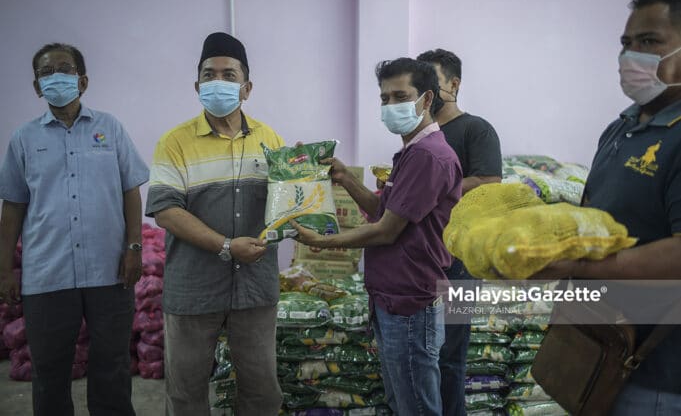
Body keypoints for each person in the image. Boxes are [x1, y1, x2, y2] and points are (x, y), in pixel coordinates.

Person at [533, 0, 681, 414]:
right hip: (595, 350)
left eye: (650, 42)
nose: (631, 56)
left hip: (657, 375)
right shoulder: (619, 130)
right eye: (626, 44)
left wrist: (581, 265)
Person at [292, 57, 462, 416]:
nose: (389, 106)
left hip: (412, 302)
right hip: (392, 297)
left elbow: (386, 232)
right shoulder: (411, 153)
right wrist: (346, 178)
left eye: (400, 96)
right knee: (401, 401)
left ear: (427, 99)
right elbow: (383, 211)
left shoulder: (430, 157)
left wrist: (321, 242)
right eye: (384, 98)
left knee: (416, 406)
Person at [0, 43, 148, 416]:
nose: (55, 78)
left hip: (109, 272)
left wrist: (134, 248)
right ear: (36, 87)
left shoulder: (109, 128)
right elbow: (13, 207)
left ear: (82, 80)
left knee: (112, 367)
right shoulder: (23, 140)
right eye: (45, 73)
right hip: (47, 274)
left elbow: (131, 188)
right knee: (49, 372)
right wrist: (4, 269)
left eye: (63, 69)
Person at [145, 32, 284, 415]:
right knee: (186, 392)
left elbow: (287, 204)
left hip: (254, 289)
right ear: (197, 85)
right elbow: (166, 210)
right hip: (194, 288)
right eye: (209, 74)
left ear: (247, 87)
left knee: (261, 391)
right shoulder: (174, 142)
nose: (218, 82)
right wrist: (225, 246)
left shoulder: (270, 140)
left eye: (228, 74)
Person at [417, 48, 502, 416]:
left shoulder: (475, 128)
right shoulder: (422, 134)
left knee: (450, 357)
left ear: (454, 84)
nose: (426, 93)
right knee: (424, 355)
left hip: (461, 262)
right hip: (424, 258)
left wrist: (435, 184)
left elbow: (490, 182)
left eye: (432, 83)